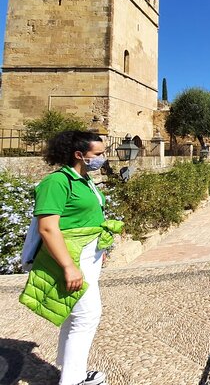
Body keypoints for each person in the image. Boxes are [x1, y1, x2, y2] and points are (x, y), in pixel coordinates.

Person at [21, 130, 118, 385]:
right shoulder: (57, 183)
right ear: (79, 155)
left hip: (88, 256)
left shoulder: (83, 179)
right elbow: (48, 228)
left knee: (75, 315)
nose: (103, 158)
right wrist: (68, 266)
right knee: (87, 316)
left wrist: (99, 251)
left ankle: (69, 370)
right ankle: (73, 380)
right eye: (98, 154)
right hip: (72, 257)